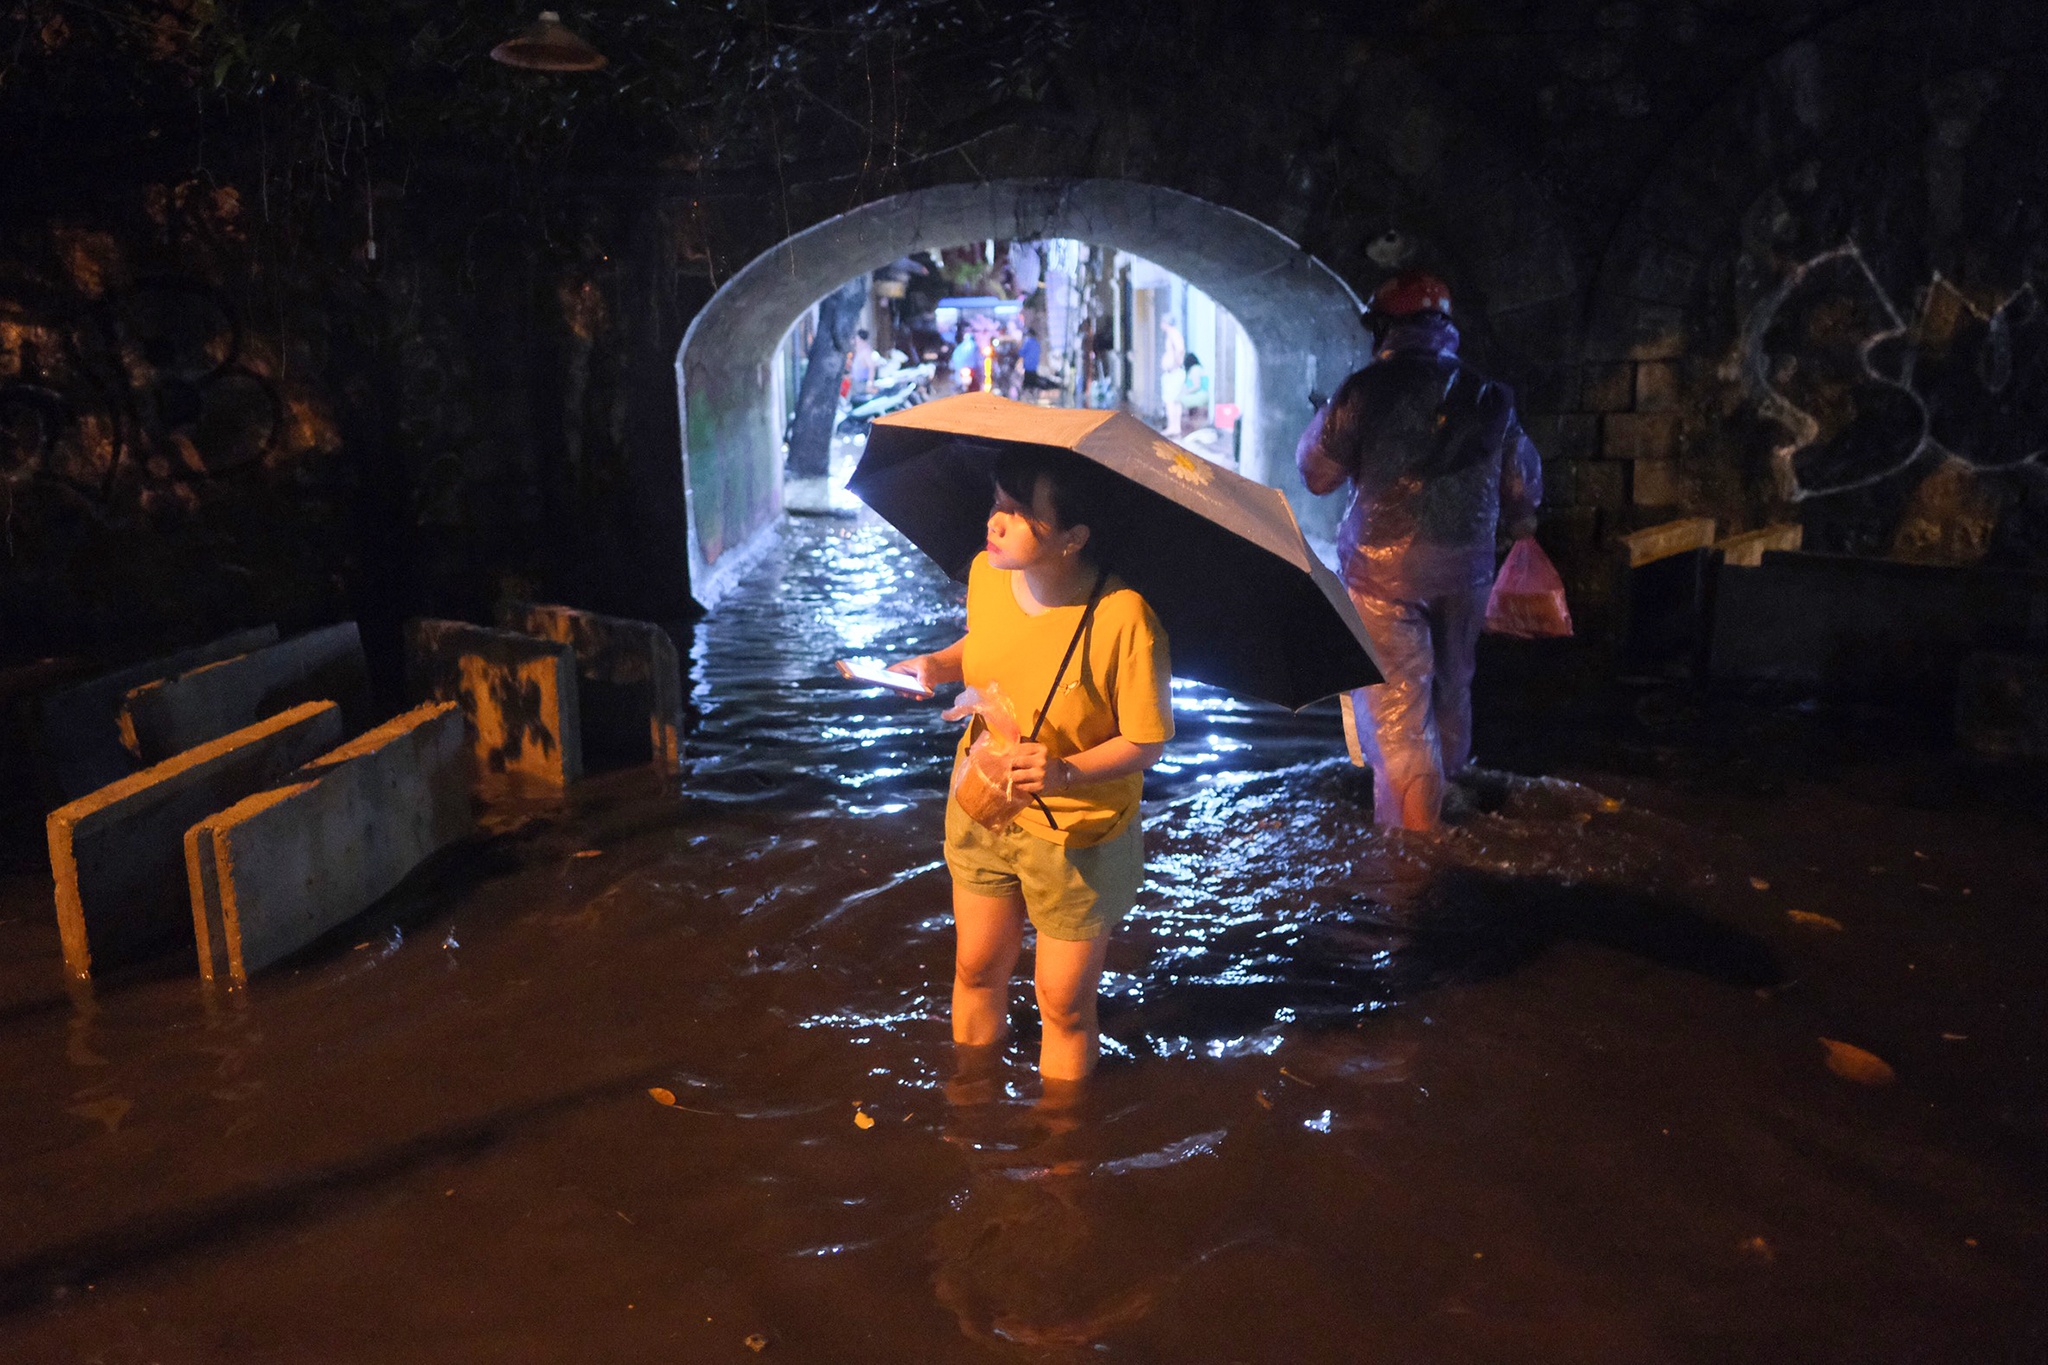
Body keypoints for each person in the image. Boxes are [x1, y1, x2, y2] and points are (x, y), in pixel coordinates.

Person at [890, 448, 1174, 1090]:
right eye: (998, 505)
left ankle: (1061, 1152)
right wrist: (937, 665)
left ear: (1073, 538)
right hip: (983, 803)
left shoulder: (1124, 618)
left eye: (1019, 515)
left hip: (1077, 833)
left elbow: (1146, 741)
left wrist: (1066, 772)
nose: (996, 523)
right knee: (975, 969)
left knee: (1063, 1002)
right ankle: (970, 1109)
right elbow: (987, 644)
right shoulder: (988, 576)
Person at [1295, 269, 1542, 832]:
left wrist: (1326, 415)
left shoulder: (1361, 391)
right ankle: (1448, 795)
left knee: (1399, 712)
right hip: (1467, 572)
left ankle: (1411, 859)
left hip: (1380, 577)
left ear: (1384, 326)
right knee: (1454, 683)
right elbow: (1522, 494)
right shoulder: (1490, 396)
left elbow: (1316, 475)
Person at [1159, 314, 1187, 435]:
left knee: (1170, 400)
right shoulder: (1172, 334)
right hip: (1173, 372)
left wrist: (1174, 365)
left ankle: (1173, 426)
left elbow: (1180, 350)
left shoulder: (1173, 334)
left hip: (1173, 372)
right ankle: (1175, 427)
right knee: (1175, 400)